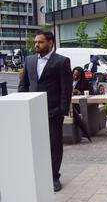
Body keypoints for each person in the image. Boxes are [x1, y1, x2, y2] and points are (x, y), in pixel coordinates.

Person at [18, 30, 72, 192]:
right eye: (35, 42)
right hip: (32, 110)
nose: (36, 45)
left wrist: (62, 110)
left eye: (40, 42)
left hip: (53, 111)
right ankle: (37, 174)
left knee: (54, 145)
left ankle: (54, 176)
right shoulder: (29, 60)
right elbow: (24, 85)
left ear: (50, 43)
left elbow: (66, 88)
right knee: (35, 144)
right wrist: (21, 104)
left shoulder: (62, 61)